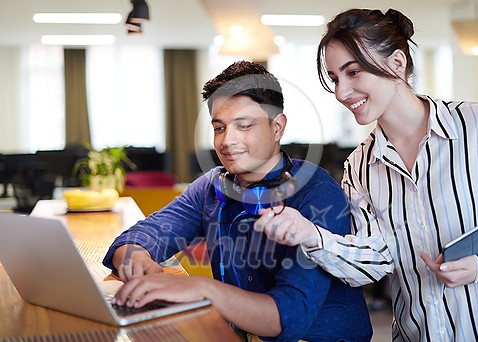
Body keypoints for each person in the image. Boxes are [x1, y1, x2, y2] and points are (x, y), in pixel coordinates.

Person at [254, 8, 478, 342]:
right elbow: (374, 261)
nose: (341, 92)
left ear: (398, 63)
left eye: (353, 72)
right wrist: (310, 234)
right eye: (335, 78)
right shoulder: (359, 167)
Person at [102, 61, 372, 341]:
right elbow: (145, 233)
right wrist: (136, 258)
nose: (227, 141)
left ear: (277, 128)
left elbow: (286, 317)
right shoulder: (212, 185)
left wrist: (204, 290)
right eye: (219, 128)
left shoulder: (316, 193)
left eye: (243, 126)